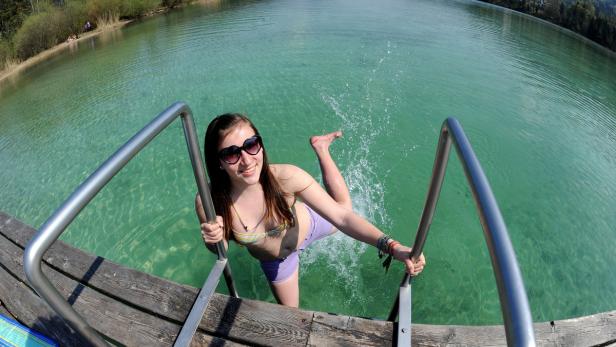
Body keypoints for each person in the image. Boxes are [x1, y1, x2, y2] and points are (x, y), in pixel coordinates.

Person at [196, 113, 426, 307]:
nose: (246, 160)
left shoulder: (285, 177)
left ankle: (322, 148)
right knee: (291, 315)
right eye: (231, 153)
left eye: (251, 145)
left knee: (343, 206)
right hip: (277, 261)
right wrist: (213, 237)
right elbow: (220, 249)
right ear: (218, 161)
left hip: (309, 226)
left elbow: (343, 218)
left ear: (261, 145)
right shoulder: (210, 200)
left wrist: (394, 247)